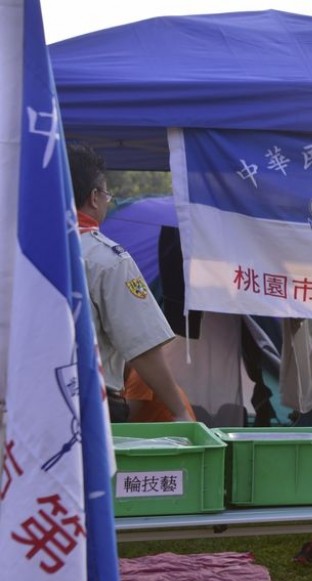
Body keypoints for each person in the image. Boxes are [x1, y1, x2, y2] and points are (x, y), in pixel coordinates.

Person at [68, 143, 192, 423]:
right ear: (94, 197)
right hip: (88, 410)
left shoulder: (19, 255)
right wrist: (180, 410)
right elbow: (143, 347)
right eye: (107, 193)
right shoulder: (105, 258)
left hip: (22, 408)